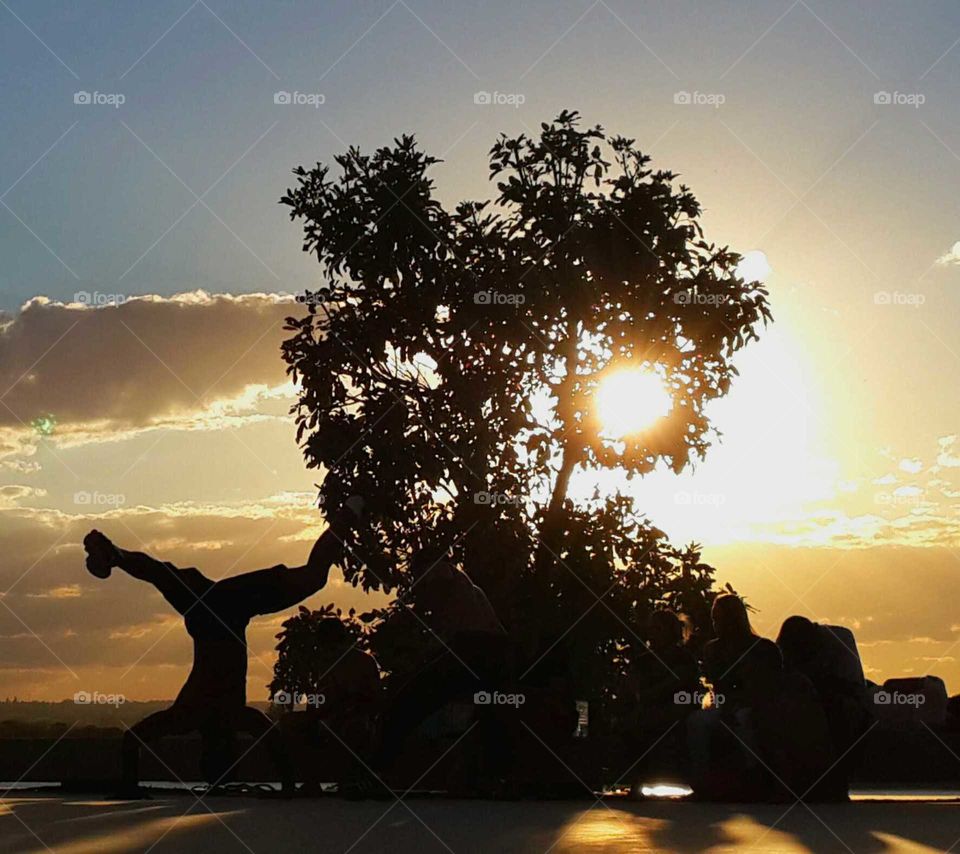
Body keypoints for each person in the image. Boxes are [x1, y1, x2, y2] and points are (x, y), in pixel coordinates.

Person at [82, 496, 365, 795]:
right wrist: (129, 785)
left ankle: (350, 512)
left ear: (227, 747)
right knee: (161, 574)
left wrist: (289, 787)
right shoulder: (201, 716)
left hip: (227, 606)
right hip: (213, 606)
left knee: (312, 577)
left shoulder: (224, 716)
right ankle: (117, 555)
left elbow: (274, 744)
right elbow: (133, 741)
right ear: (206, 748)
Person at [373, 555, 512, 784]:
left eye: (418, 579)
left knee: (406, 703)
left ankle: (380, 770)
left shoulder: (442, 573)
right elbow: (442, 637)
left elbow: (447, 635)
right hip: (494, 654)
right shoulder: (467, 595)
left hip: (475, 649)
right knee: (488, 712)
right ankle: (493, 777)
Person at [777, 616, 871, 799]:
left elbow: (853, 688)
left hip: (843, 699)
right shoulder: (785, 650)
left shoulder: (840, 640)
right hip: (807, 699)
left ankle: (832, 780)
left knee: (839, 711)